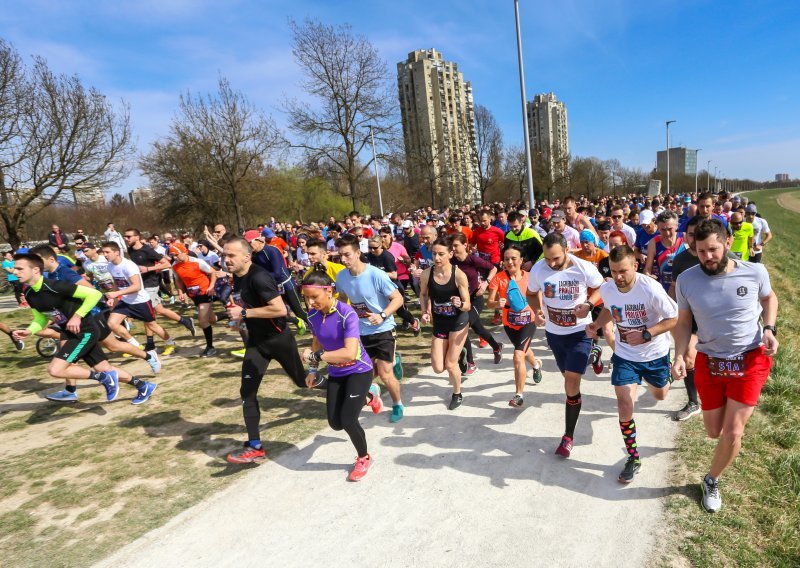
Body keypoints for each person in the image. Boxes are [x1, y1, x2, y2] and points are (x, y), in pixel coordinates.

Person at [672, 218, 778, 513]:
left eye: (713, 250)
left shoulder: (754, 272)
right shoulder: (687, 280)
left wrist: (769, 329)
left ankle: (711, 479)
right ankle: (722, 446)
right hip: (711, 361)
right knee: (713, 431)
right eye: (701, 251)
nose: (707, 257)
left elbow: (770, 299)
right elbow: (682, 323)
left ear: (728, 243)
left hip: (750, 359)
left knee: (733, 432)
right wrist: (680, 355)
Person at [11, 253, 156, 405]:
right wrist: (29, 331)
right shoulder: (29, 293)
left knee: (55, 369)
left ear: (35, 270)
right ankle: (143, 386)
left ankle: (102, 379)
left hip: (84, 332)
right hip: (70, 333)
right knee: (104, 368)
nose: (15, 272)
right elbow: (41, 318)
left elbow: (94, 294)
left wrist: (77, 316)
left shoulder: (56, 286)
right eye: (15, 269)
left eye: (19, 269)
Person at [586, 245, 678, 483]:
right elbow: (609, 308)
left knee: (660, 395)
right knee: (624, 401)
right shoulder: (609, 288)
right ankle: (633, 457)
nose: (618, 277)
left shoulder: (650, 288)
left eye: (623, 271)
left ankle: (665, 376)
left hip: (654, 354)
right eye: (614, 271)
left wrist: (647, 333)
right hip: (626, 355)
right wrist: (596, 325)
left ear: (635, 267)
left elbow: (673, 318)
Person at [223, 237, 309, 464]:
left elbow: (279, 309)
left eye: (231, 255)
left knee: (302, 382)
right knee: (247, 392)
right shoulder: (238, 277)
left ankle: (362, 393)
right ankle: (255, 446)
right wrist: (239, 319)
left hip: (278, 340)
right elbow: (249, 306)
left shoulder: (259, 276)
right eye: (224, 255)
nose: (226, 260)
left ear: (246, 256)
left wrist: (243, 315)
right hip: (256, 343)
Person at [527, 233, 604, 458]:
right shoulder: (539, 269)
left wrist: (589, 304)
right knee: (568, 378)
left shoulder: (583, 267)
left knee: (571, 383)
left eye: (556, 259)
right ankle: (595, 354)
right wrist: (538, 311)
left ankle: (567, 436)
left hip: (580, 332)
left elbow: (601, 288)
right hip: (554, 334)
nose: (551, 263)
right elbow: (531, 293)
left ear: (567, 250)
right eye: (548, 258)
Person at [301, 270, 377, 481]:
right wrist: (313, 370)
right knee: (335, 423)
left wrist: (314, 356)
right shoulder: (312, 315)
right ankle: (369, 396)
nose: (310, 302)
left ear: (329, 291)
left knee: (348, 420)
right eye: (306, 297)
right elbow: (317, 341)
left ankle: (364, 458)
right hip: (337, 371)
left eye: (314, 297)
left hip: (359, 370)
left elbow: (349, 352)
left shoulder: (347, 314)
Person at [336, 233, 406, 422]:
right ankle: (378, 384)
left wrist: (382, 315)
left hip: (383, 330)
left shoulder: (376, 274)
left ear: (358, 253)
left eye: (347, 254)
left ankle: (398, 404)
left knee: (384, 373)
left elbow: (398, 298)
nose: (343, 259)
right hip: (359, 332)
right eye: (340, 255)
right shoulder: (341, 277)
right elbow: (342, 300)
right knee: (360, 374)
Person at [419, 237, 472, 410]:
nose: (437, 258)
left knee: (450, 364)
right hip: (440, 323)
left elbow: (468, 305)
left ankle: (457, 393)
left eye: (441, 254)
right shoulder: (427, 274)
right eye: (434, 254)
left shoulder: (459, 275)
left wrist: (460, 304)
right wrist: (425, 312)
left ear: (450, 254)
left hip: (458, 322)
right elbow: (424, 294)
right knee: (437, 368)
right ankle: (462, 353)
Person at [487, 245, 542, 407]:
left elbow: (539, 296)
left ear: (521, 260)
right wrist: (498, 302)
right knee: (523, 351)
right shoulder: (499, 278)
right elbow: (490, 303)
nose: (509, 262)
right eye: (506, 259)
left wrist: (540, 312)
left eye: (513, 258)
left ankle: (519, 395)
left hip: (528, 322)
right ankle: (536, 365)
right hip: (510, 324)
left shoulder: (531, 277)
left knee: (518, 355)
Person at [101, 242, 176, 357]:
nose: (105, 255)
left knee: (152, 325)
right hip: (126, 301)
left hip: (140, 301)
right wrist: (114, 297)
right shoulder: (110, 266)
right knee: (111, 323)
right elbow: (117, 282)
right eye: (103, 252)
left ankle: (171, 343)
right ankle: (136, 346)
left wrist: (117, 293)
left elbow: (137, 287)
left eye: (107, 252)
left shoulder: (129, 266)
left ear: (116, 253)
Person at [125, 229, 197, 349]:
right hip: (140, 284)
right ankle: (185, 321)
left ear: (137, 237)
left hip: (151, 284)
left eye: (129, 237)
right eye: (125, 237)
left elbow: (167, 264)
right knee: (157, 311)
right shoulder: (130, 250)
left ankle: (151, 343)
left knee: (147, 313)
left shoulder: (147, 250)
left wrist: (148, 269)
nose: (126, 239)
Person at [450, 232, 503, 373]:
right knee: (478, 328)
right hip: (461, 301)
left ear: (465, 245)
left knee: (464, 327)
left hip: (475, 300)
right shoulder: (451, 262)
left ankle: (470, 363)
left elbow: (493, 268)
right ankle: (496, 346)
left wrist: (486, 283)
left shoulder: (472, 259)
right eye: (451, 246)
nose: (453, 248)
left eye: (456, 245)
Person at [170, 243, 218, 357]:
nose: (174, 257)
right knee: (211, 320)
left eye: (176, 255)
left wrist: (211, 287)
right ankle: (228, 315)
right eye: (172, 255)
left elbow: (213, 272)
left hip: (205, 292)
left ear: (184, 252)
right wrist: (181, 292)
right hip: (193, 294)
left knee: (202, 321)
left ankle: (210, 347)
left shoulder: (197, 262)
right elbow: (179, 281)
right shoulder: (174, 266)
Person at [644, 210, 685, 293]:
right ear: (658, 228)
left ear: (677, 226)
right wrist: (648, 276)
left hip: (685, 287)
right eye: (663, 229)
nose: (667, 233)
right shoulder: (654, 243)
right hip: (665, 289)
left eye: (670, 229)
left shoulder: (685, 238)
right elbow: (647, 268)